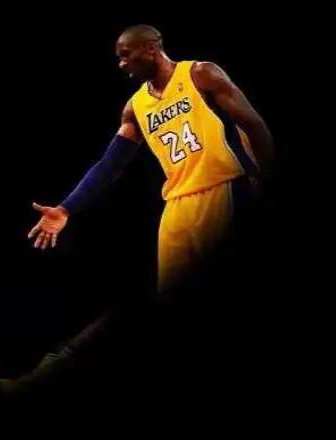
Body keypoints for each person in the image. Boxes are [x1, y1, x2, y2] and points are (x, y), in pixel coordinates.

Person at [28, 24, 274, 294]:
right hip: (177, 204)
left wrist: (265, 177)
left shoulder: (200, 74)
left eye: (126, 54)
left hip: (224, 188)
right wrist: (66, 208)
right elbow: (111, 163)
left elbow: (254, 125)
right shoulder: (135, 107)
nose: (122, 64)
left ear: (151, 48)